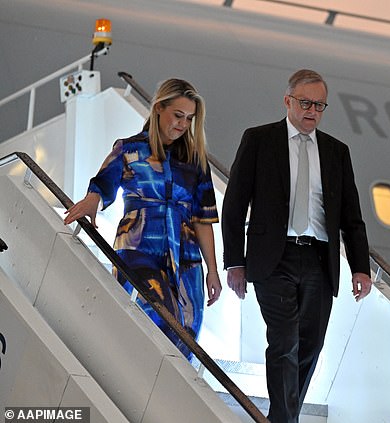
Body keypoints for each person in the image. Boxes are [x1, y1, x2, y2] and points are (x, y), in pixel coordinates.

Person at [222, 69, 372, 423]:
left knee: (311, 345)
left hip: (319, 259)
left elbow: (351, 216)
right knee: (284, 341)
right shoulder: (259, 140)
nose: (312, 112)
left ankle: (285, 418)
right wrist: (234, 262)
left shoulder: (336, 152)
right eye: (306, 103)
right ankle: (282, 420)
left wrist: (360, 267)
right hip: (275, 259)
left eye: (320, 106)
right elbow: (234, 204)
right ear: (287, 100)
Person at [64, 78, 221, 361]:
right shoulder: (128, 148)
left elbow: (202, 220)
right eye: (178, 115)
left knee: (187, 330)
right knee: (158, 317)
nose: (183, 125)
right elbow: (103, 183)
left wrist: (212, 270)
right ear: (159, 108)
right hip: (138, 249)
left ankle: (167, 396)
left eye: (189, 119)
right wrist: (92, 200)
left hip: (185, 256)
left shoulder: (196, 162)